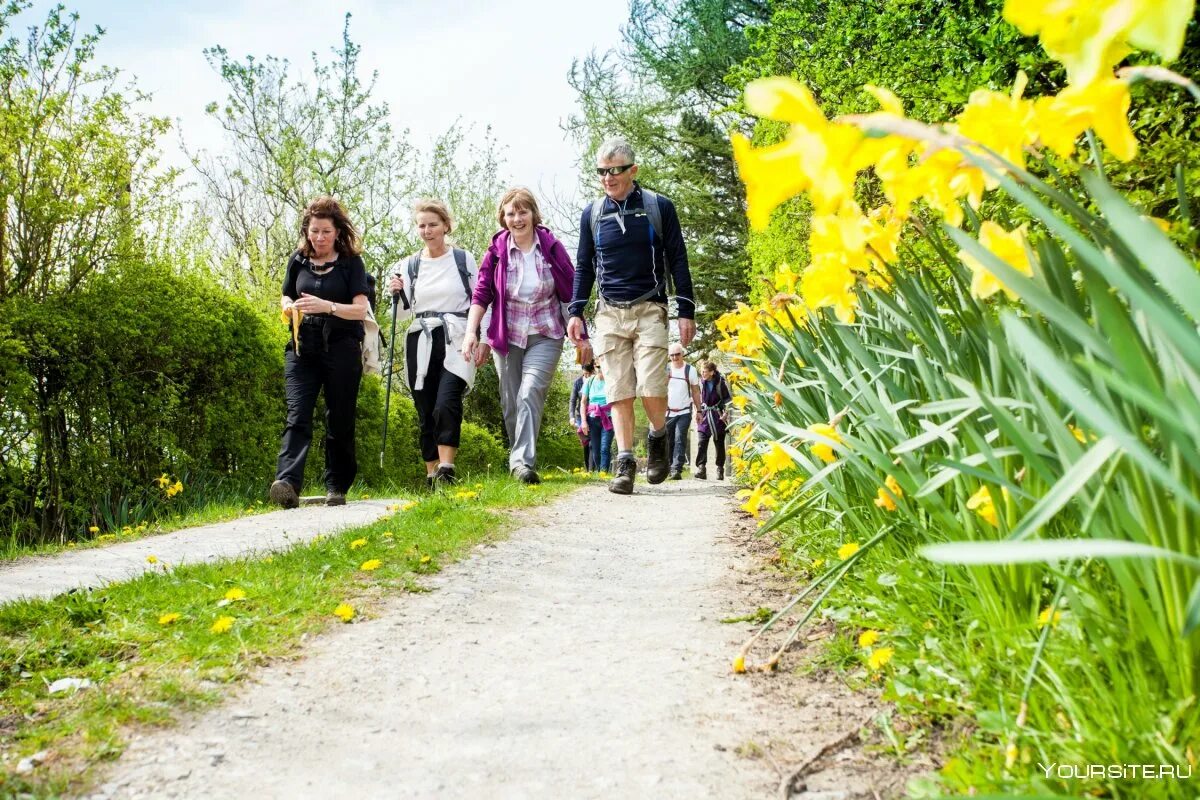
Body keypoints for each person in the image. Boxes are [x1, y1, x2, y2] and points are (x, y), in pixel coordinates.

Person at [567, 136, 696, 495]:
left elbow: (678, 259)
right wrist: (576, 310)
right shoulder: (592, 214)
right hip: (609, 313)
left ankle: (658, 438)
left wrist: (686, 309)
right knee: (619, 390)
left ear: (633, 170)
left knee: (651, 386)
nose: (608, 178)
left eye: (615, 171)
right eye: (602, 172)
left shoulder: (659, 207)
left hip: (650, 308)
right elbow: (584, 265)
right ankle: (625, 464)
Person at [462, 188, 584, 484]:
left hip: (546, 333)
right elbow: (483, 296)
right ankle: (520, 456)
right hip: (508, 336)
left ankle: (521, 463)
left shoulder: (552, 248)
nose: (517, 218)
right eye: (511, 213)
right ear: (503, 218)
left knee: (530, 393)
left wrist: (582, 337)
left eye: (522, 212)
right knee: (511, 402)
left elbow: (570, 294)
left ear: (533, 214)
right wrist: (474, 335)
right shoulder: (496, 251)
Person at [270, 196, 371, 508]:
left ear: (337, 232)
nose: (319, 238)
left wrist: (326, 306)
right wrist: (289, 307)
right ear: (306, 231)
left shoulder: (351, 263)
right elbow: (285, 296)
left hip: (341, 346)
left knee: (339, 417)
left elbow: (360, 310)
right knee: (297, 413)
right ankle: (287, 483)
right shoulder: (297, 260)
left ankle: (336, 485)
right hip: (303, 347)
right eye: (314, 231)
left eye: (326, 232)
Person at [387, 200, 482, 488]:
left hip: (456, 336)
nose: (427, 230)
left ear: (446, 226)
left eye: (433, 224)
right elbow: (402, 313)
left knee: (446, 402)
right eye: (421, 225)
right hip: (420, 337)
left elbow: (480, 301)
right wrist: (395, 294)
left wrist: (483, 338)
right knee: (425, 407)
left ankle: (447, 468)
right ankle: (431, 475)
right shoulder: (409, 265)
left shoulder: (464, 260)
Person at [664, 343, 702, 480]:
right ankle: (667, 468)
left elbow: (696, 391)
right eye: (672, 355)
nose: (675, 357)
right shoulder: (665, 369)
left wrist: (699, 410)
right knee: (668, 440)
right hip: (667, 412)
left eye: (677, 354)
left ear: (683, 354)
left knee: (680, 439)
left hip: (684, 411)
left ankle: (676, 469)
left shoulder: (690, 370)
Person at [694, 361, 732, 480]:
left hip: (718, 416)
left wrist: (726, 413)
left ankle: (720, 469)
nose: (702, 373)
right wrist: (697, 411)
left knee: (719, 443)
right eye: (701, 371)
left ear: (712, 372)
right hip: (704, 415)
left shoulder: (720, 383)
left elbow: (728, 400)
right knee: (701, 442)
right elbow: (696, 398)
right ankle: (701, 468)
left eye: (704, 371)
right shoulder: (700, 383)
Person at [579, 363, 613, 473]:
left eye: (603, 366)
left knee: (604, 448)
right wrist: (583, 421)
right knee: (595, 449)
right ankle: (600, 473)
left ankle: (604, 473)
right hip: (593, 419)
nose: (600, 369)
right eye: (598, 367)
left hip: (609, 418)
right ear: (594, 367)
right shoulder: (589, 381)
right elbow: (583, 402)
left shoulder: (612, 380)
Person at [570, 362, 595, 470]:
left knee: (593, 442)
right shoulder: (578, 383)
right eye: (585, 374)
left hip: (594, 414)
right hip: (580, 415)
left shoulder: (596, 381)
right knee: (586, 442)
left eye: (589, 374)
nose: (587, 376)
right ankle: (588, 468)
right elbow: (572, 401)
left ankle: (593, 468)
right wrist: (571, 417)